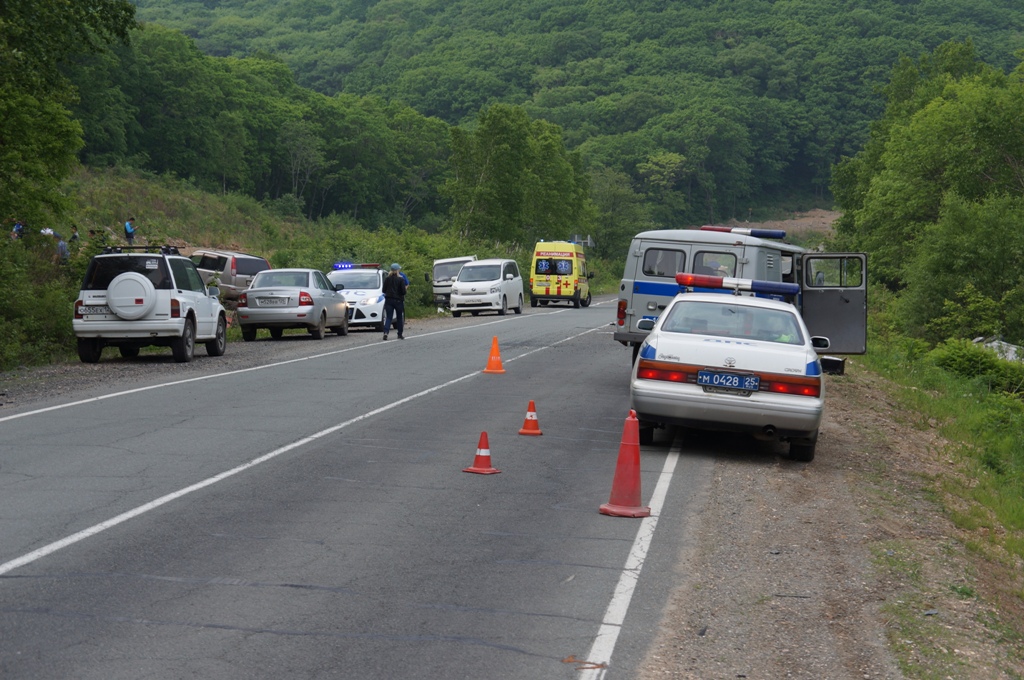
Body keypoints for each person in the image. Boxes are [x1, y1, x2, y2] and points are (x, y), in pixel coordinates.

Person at [381, 262, 408, 341]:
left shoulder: (387, 279)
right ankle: (399, 334)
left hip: (389, 300)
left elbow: (383, 290)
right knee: (399, 318)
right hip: (398, 300)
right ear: (397, 270)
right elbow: (403, 292)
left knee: (389, 317)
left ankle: (386, 332)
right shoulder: (401, 279)